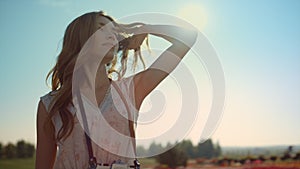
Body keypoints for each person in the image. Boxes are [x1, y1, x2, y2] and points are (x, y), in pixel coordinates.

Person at [35, 11, 197, 169]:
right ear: (80, 37)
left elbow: (188, 37)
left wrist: (145, 29)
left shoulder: (130, 90)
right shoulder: (51, 104)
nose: (112, 35)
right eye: (101, 29)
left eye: (114, 32)